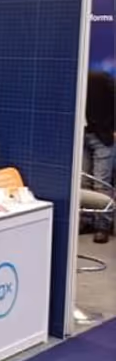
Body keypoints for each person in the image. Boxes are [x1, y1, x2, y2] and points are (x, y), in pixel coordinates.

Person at [83, 71, 114, 243]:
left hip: (101, 135)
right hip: (81, 135)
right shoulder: (69, 80)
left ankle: (103, 226)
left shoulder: (98, 79)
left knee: (101, 182)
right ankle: (86, 221)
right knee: (83, 183)